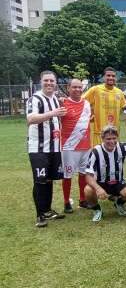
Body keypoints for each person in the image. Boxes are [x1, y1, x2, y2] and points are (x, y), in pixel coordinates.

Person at [27, 70, 65, 227]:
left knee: (49, 180)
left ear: (55, 83)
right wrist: (53, 113)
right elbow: (31, 118)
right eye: (46, 81)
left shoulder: (55, 99)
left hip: (54, 147)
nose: (49, 83)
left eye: (52, 81)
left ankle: (47, 210)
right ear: (40, 82)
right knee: (40, 180)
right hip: (39, 149)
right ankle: (39, 215)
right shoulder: (34, 98)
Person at [84, 126, 126, 222]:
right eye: (108, 139)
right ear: (102, 138)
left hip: (118, 183)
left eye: (114, 138)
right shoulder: (96, 151)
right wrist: (98, 189)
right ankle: (97, 210)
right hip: (101, 183)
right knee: (88, 190)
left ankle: (118, 203)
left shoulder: (122, 147)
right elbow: (88, 176)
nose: (112, 141)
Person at [60, 78, 92, 213]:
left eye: (80, 87)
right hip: (69, 147)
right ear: (68, 88)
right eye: (74, 87)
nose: (78, 89)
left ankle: (82, 199)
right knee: (67, 175)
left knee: (83, 174)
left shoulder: (87, 103)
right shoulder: (62, 103)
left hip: (86, 145)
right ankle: (66, 202)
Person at [83, 67, 126, 146]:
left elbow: (125, 108)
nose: (111, 78)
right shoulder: (95, 90)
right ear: (103, 77)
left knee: (113, 157)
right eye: (108, 75)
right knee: (98, 157)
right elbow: (81, 101)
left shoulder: (119, 92)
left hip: (114, 133)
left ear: (116, 78)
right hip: (99, 133)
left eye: (113, 76)